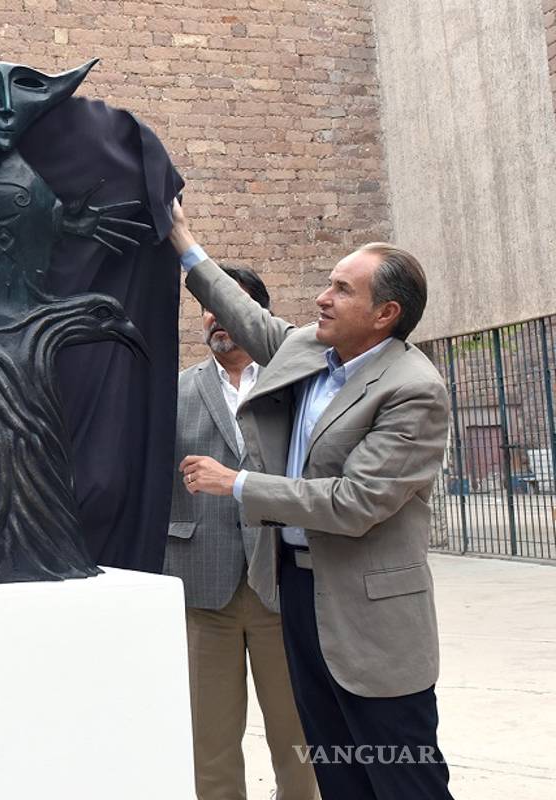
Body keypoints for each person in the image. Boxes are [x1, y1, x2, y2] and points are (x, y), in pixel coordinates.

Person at [170, 200, 454, 799]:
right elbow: (245, 316)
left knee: (402, 774)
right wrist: (183, 242)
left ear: (385, 314)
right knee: (334, 767)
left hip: (369, 613)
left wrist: (236, 483)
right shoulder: (309, 353)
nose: (322, 298)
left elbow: (355, 502)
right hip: (298, 591)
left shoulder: (413, 389)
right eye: (328, 283)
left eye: (342, 290)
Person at [165, 266, 318, 800]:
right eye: (207, 308)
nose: (216, 317)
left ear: (259, 316)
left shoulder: (293, 388)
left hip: (281, 580)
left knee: (297, 733)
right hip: (203, 583)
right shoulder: (175, 390)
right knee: (209, 738)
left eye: (228, 305)